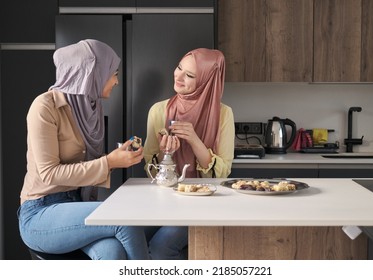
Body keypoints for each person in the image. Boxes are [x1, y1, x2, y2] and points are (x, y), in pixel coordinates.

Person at [17, 39, 149, 260]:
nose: (116, 81)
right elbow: (49, 174)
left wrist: (116, 159)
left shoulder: (90, 108)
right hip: (40, 212)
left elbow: (88, 168)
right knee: (125, 218)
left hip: (76, 204)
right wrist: (109, 162)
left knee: (113, 253)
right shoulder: (44, 106)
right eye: (113, 73)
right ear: (92, 73)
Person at [143, 48, 235, 259]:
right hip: (164, 200)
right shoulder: (158, 110)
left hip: (205, 203)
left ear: (206, 81)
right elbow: (150, 170)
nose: (179, 77)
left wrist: (194, 140)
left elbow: (223, 173)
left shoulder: (224, 114)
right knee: (133, 236)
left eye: (190, 75)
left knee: (160, 247)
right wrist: (166, 154)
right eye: (179, 68)